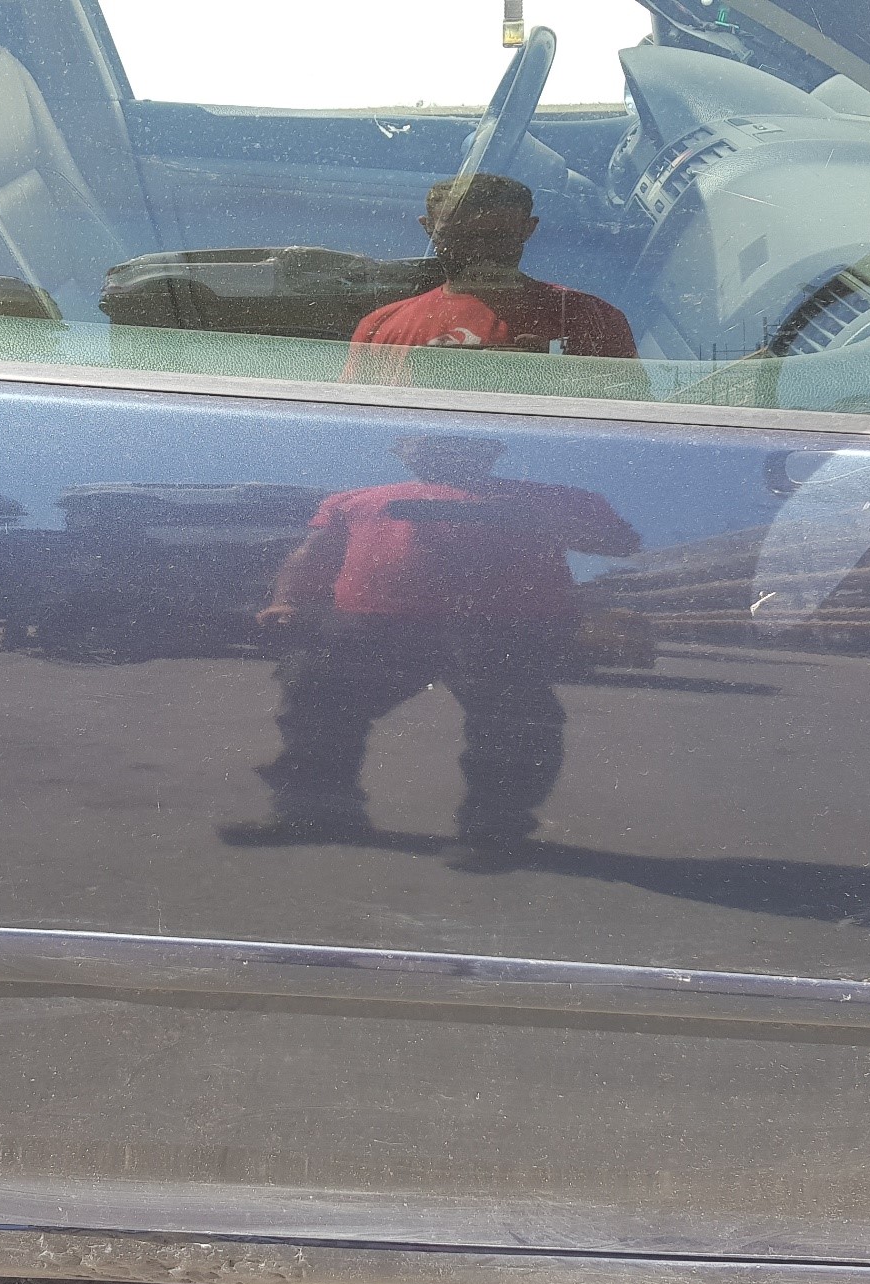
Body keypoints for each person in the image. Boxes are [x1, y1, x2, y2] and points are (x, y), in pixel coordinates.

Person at [220, 435, 641, 872]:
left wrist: (544, 521)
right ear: (405, 455)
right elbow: (316, 554)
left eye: (458, 446)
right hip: (375, 623)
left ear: (489, 452)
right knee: (318, 702)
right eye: (428, 447)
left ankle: (494, 833)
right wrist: (287, 600)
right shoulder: (358, 500)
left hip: (506, 627)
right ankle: (314, 814)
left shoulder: (554, 498)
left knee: (511, 726)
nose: (443, 455)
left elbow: (621, 544)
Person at [340, 172, 638, 387]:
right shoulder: (377, 328)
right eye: (460, 236)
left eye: (497, 236)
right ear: (428, 228)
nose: (478, 249)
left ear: (528, 229)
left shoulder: (589, 318)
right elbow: (359, 426)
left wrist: (553, 377)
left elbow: (630, 426)